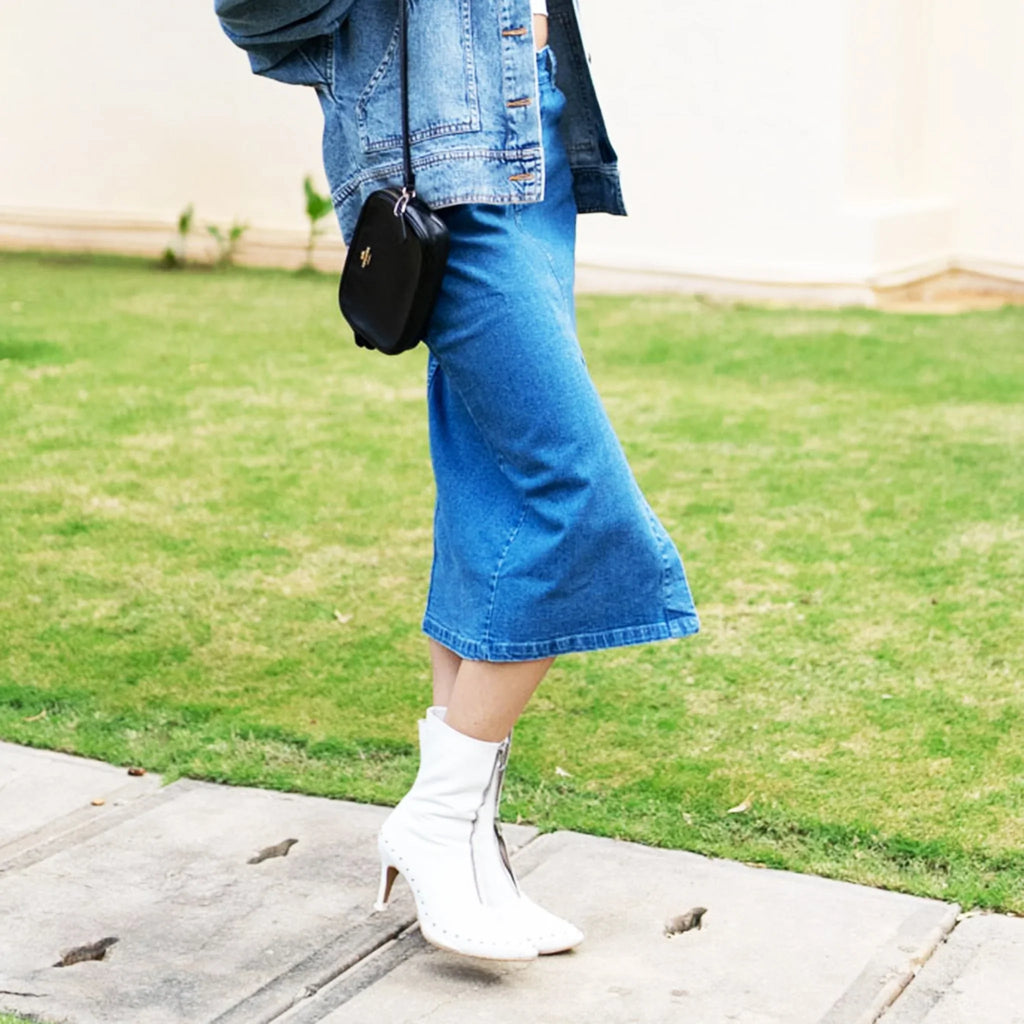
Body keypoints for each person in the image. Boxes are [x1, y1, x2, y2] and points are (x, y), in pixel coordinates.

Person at [215, 0, 699, 961]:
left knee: (491, 496)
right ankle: (436, 824)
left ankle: (468, 848)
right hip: (446, 180)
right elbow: (258, 14)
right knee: (580, 501)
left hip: (537, 146)